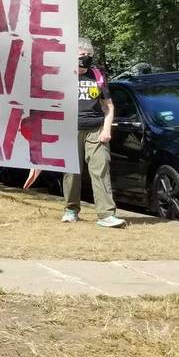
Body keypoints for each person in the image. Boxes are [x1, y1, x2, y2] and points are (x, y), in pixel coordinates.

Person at [63, 39, 125, 228]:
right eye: (79, 56)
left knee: (100, 168)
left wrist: (107, 129)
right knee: (72, 172)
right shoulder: (63, 75)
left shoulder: (97, 75)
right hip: (70, 129)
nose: (83, 60)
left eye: (85, 56)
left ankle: (106, 214)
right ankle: (71, 209)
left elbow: (108, 107)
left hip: (96, 128)